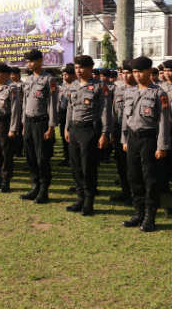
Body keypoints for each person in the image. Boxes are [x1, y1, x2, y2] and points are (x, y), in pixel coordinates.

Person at [121, 56, 170, 232]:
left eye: (140, 71)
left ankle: (150, 217)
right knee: (134, 177)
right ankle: (138, 213)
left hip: (149, 139)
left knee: (150, 179)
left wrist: (161, 146)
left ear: (149, 71)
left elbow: (163, 122)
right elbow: (125, 120)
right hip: (132, 139)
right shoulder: (130, 92)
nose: (137, 75)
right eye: (134, 71)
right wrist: (124, 139)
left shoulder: (159, 93)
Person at [64, 55, 111, 216]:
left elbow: (105, 112)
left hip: (90, 130)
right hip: (74, 129)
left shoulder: (99, 86)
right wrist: (66, 128)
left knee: (88, 167)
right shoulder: (73, 86)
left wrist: (105, 133)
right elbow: (70, 109)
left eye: (82, 67)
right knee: (76, 166)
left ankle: (89, 202)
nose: (79, 70)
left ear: (91, 68)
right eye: (77, 67)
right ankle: (80, 198)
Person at [20, 48, 57, 204]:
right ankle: (35, 186)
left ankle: (44, 190)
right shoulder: (27, 80)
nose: (29, 64)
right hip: (28, 122)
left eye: (32, 61)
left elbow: (52, 105)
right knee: (31, 157)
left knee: (42, 158)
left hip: (42, 122)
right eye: (28, 61)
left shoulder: (49, 80)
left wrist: (51, 127)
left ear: (40, 61)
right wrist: (23, 124)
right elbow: (24, 104)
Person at [0, 63, 21, 192]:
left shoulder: (12, 88)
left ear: (6, 74)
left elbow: (15, 110)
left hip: (6, 123)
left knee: (6, 153)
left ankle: (6, 181)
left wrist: (13, 129)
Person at [110, 60, 135, 205]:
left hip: (134, 131)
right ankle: (125, 192)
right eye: (123, 73)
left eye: (128, 73)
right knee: (121, 164)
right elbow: (114, 111)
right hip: (119, 130)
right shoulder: (118, 89)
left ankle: (135, 194)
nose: (125, 76)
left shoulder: (142, 89)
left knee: (133, 166)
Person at [58, 64, 76, 167]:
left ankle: (72, 158)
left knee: (72, 137)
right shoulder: (62, 86)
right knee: (63, 135)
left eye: (66, 75)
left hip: (73, 115)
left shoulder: (75, 86)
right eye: (63, 75)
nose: (64, 77)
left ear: (73, 75)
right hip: (63, 113)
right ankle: (67, 157)